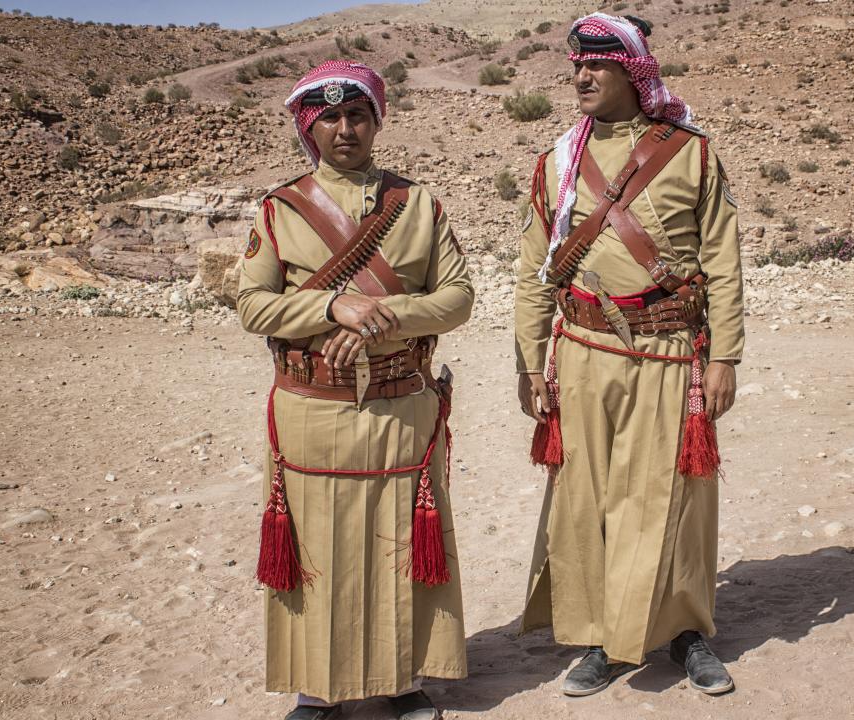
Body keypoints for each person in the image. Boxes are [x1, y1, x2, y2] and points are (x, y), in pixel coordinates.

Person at [514, 13, 744, 698]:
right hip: (581, 351)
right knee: (588, 498)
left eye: (598, 66)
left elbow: (724, 262)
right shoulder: (556, 163)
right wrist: (529, 361)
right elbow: (535, 271)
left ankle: (686, 632)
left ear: (633, 72)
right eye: (576, 66)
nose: (582, 77)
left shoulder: (690, 153)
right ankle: (601, 638)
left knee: (672, 497)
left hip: (668, 350)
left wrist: (726, 356)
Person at [237, 60, 473, 720]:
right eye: (331, 117)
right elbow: (252, 305)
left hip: (401, 407)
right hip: (313, 408)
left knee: (399, 546)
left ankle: (403, 680)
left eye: (358, 115)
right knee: (318, 550)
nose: (345, 129)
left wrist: (384, 316)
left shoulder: (419, 205)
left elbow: (458, 298)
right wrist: (331, 307)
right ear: (309, 127)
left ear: (376, 123)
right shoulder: (280, 210)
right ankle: (316, 689)